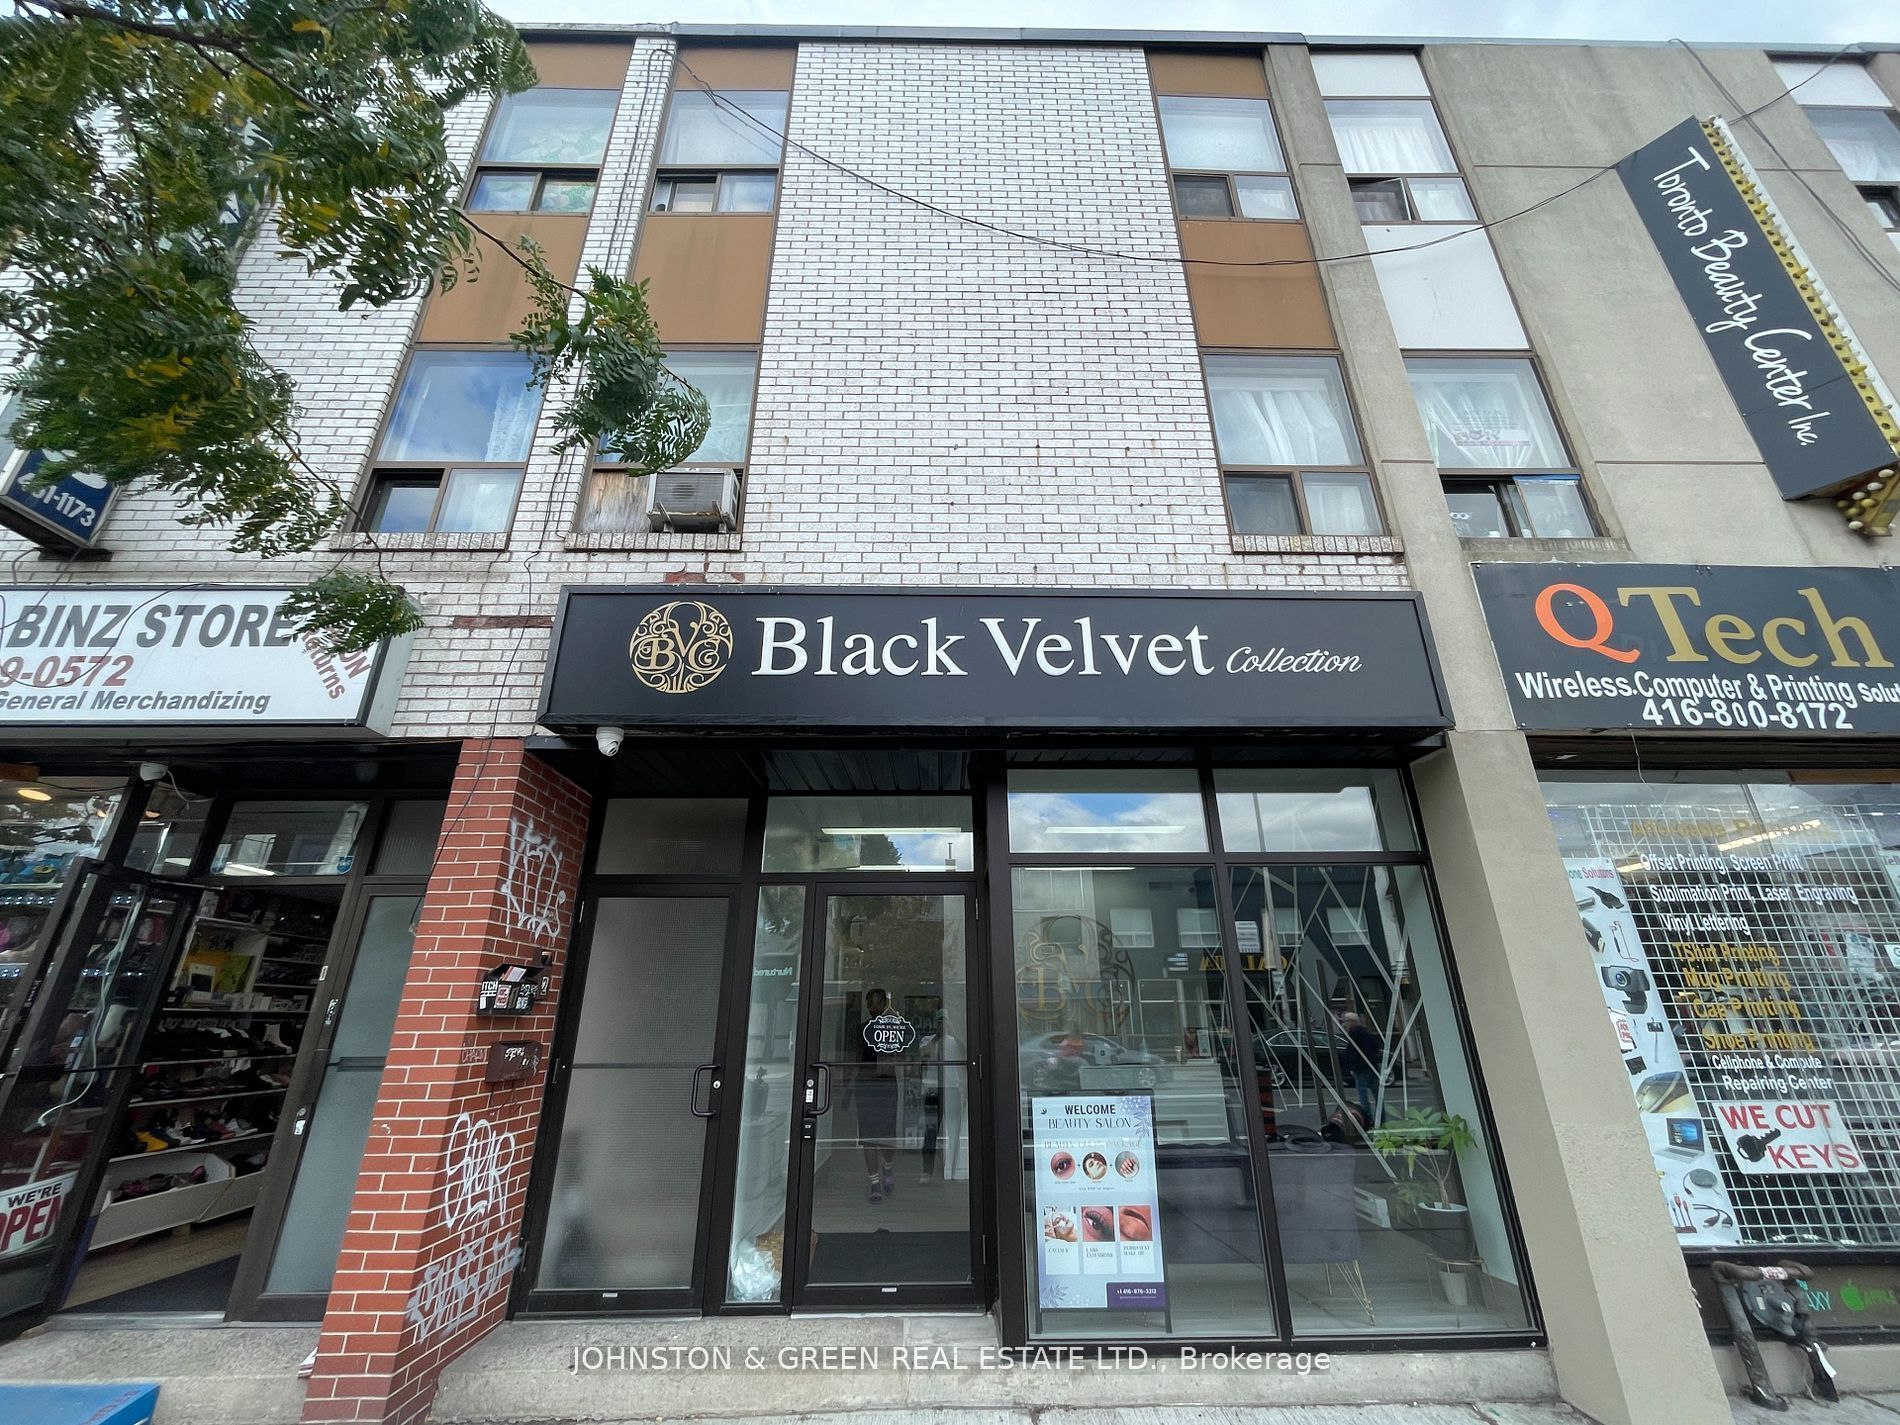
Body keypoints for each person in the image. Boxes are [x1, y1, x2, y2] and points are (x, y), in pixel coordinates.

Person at [856, 987, 900, 1202]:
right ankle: (874, 1182)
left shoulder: (894, 1028)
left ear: (884, 1004)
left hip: (886, 1085)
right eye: (870, 1003)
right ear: (866, 1005)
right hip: (865, 1085)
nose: (873, 1007)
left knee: (887, 1135)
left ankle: (888, 1167)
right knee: (868, 1137)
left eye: (877, 1003)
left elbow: (902, 1054)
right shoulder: (861, 1029)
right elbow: (852, 1058)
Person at [1340, 1011, 1385, 1126]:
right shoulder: (1366, 1032)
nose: (1344, 1024)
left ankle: (1368, 1117)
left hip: (1361, 1068)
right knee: (1377, 1094)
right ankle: (1382, 1118)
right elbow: (1376, 1047)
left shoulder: (1353, 1034)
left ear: (1351, 1022)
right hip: (1372, 1066)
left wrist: (1352, 1067)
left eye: (1346, 1021)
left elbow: (1352, 1052)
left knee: (1363, 1094)